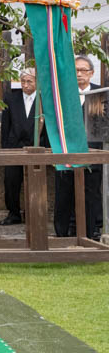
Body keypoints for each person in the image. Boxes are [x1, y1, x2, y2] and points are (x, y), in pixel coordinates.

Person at [53, 55, 104, 239]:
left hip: (93, 152)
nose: (79, 74)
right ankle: (62, 233)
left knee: (91, 193)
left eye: (83, 70)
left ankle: (91, 233)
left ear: (91, 73)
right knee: (64, 193)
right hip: (66, 152)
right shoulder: (63, 94)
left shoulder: (101, 93)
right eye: (76, 70)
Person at [0, 68, 37, 225]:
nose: (26, 85)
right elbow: (5, 126)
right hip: (14, 146)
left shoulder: (43, 99)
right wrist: (5, 148)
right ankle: (13, 213)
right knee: (11, 182)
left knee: (34, 183)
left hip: (35, 147)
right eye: (23, 81)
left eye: (29, 81)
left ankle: (32, 213)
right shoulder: (10, 98)